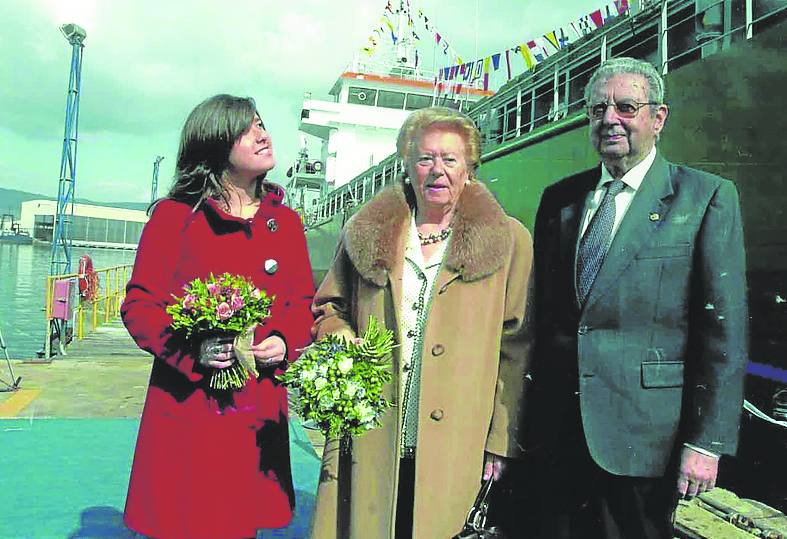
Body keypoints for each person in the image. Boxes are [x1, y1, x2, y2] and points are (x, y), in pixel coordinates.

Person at [525, 57, 748, 538]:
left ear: (658, 117)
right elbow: (543, 319)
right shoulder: (558, 200)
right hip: (559, 437)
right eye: (597, 109)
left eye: (626, 107)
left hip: (645, 443)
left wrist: (706, 443)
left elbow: (723, 334)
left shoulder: (705, 198)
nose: (609, 119)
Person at [309, 106, 533, 539]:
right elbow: (329, 307)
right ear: (407, 166)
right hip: (372, 428)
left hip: (459, 439)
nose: (437, 171)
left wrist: (500, 441)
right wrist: (341, 337)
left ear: (470, 168)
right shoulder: (365, 232)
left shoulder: (509, 240)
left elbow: (517, 346)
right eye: (425, 158)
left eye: (450, 160)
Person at [121, 94, 315, 539]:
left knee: (243, 523)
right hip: (191, 408)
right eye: (248, 129)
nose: (264, 135)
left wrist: (284, 341)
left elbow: (302, 302)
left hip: (259, 406)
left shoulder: (284, 223)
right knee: (187, 521)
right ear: (215, 144)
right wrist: (194, 351)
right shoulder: (175, 218)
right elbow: (140, 305)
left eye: (262, 123)